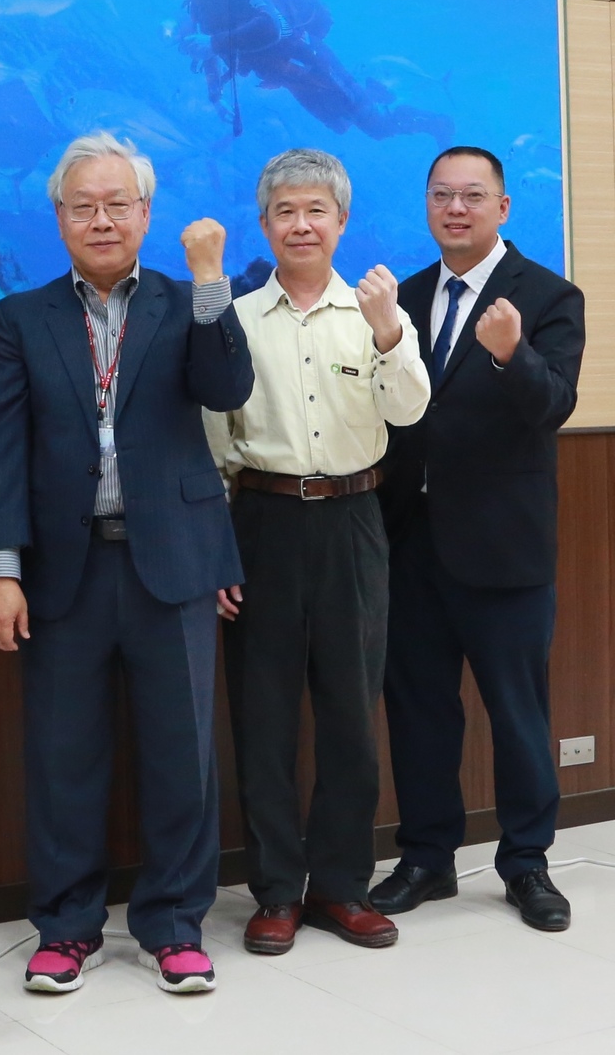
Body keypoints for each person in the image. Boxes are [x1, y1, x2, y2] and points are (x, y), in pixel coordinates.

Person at [0, 131, 253, 995]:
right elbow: (3, 450)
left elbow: (227, 388)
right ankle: (65, 927)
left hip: (172, 564)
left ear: (144, 213)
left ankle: (174, 926)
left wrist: (211, 278)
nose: (100, 220)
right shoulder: (23, 318)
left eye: (117, 204)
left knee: (182, 757)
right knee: (65, 758)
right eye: (82, 205)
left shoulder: (185, 302)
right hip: (65, 570)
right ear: (58, 216)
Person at [203, 149, 430, 956]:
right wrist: (219, 552)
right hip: (260, 522)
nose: (301, 224)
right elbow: (214, 442)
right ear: (265, 225)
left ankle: (341, 887)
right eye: (285, 212)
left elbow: (407, 412)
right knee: (261, 719)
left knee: (348, 716)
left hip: (353, 520)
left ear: (341, 220)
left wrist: (389, 331)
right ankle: (274, 892)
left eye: (316, 211)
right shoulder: (236, 318)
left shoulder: (374, 309)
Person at [371, 146, 586, 931]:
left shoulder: (550, 295)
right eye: (441, 195)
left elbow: (552, 406)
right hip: (410, 541)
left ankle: (527, 863)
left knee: (517, 711)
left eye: (472, 196)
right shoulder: (409, 294)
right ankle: (427, 857)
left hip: (504, 547)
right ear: (427, 206)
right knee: (420, 709)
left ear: (503, 207)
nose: (454, 208)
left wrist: (512, 355)